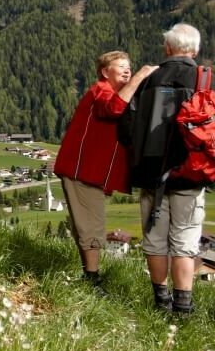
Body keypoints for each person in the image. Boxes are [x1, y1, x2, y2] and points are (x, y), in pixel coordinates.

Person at [54, 51, 157, 286]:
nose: (127, 70)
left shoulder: (113, 91)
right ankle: (92, 280)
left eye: (130, 66)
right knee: (92, 226)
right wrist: (140, 76)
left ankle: (89, 276)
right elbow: (112, 109)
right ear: (104, 72)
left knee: (87, 225)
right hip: (82, 172)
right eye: (120, 66)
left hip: (90, 173)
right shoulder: (101, 90)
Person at [122, 22, 203, 314]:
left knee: (155, 241)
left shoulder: (147, 79)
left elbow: (125, 129)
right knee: (185, 241)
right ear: (194, 50)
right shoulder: (205, 79)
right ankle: (183, 309)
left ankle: (161, 303)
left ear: (167, 48)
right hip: (191, 173)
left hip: (151, 173)